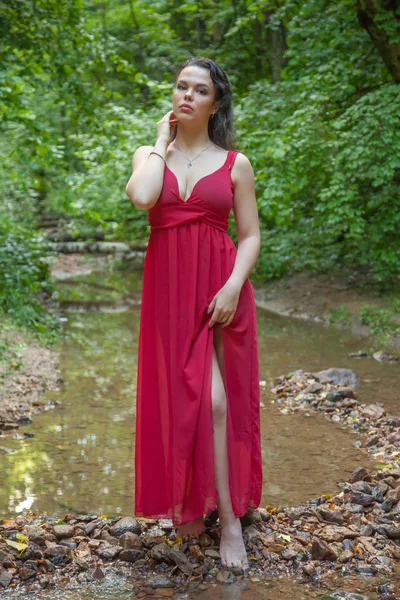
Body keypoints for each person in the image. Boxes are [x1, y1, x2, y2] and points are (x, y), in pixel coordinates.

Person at [125, 57, 263, 570]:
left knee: (217, 402)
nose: (186, 95)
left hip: (218, 291)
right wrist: (160, 142)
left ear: (216, 103)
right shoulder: (148, 155)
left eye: (199, 90)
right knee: (184, 397)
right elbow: (142, 198)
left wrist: (232, 287)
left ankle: (229, 521)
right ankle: (189, 504)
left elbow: (249, 236)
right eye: (180, 86)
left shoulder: (235, 164)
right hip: (167, 291)